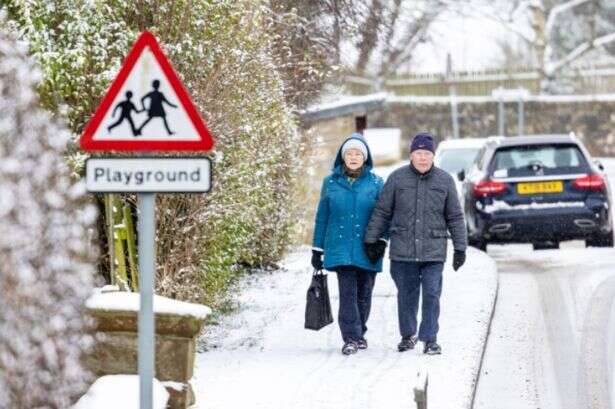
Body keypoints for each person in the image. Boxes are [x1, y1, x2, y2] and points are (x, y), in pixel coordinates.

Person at [364, 132, 467, 355]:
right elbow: (382, 211)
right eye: (418, 153)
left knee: (431, 293)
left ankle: (430, 338)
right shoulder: (397, 179)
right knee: (407, 294)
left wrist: (460, 247)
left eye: (427, 153)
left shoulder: (444, 180)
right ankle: (408, 335)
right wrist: (372, 239)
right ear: (411, 155)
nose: (423, 158)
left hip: (434, 250)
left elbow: (455, 217)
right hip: (403, 250)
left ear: (433, 156)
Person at [311, 133, 387, 356]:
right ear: (343, 157)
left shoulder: (376, 183)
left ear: (365, 158)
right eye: (349, 154)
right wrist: (317, 248)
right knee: (347, 293)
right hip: (340, 246)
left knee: (365, 292)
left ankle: (359, 330)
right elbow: (322, 216)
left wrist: (382, 240)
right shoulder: (330, 182)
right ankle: (351, 337)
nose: (353, 157)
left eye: (358, 154)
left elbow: (384, 215)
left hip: (368, 248)